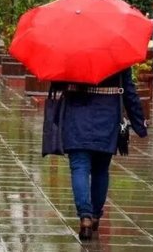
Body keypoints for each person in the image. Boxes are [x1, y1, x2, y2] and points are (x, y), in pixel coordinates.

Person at [54, 68, 147, 240]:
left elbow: (57, 82)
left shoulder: (71, 51)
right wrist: (139, 124)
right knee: (100, 170)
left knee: (79, 167)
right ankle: (95, 215)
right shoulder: (117, 53)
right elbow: (129, 90)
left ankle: (85, 217)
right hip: (107, 117)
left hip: (77, 117)